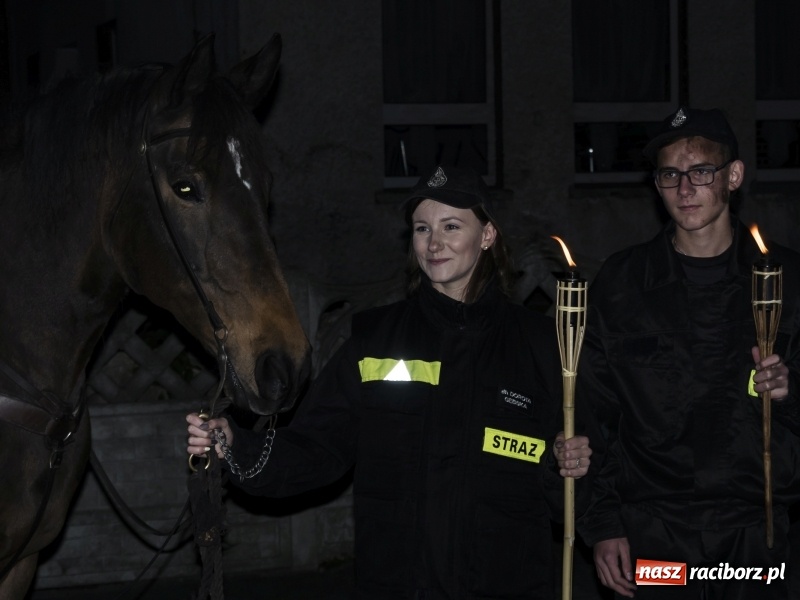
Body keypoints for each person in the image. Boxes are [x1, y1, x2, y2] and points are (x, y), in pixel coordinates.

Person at [187, 165, 597, 599]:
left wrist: (566, 466)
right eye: (422, 228)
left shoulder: (542, 345)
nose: (434, 243)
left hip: (505, 584)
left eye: (451, 226)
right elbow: (317, 446)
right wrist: (237, 446)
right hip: (400, 583)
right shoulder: (376, 339)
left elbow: (571, 489)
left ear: (488, 235)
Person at [578, 106, 800, 599]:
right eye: (669, 175)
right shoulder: (622, 283)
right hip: (656, 534)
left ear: (733, 176)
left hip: (757, 537)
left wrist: (789, 392)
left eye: (701, 172)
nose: (684, 189)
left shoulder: (786, 281)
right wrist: (603, 523)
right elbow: (593, 413)